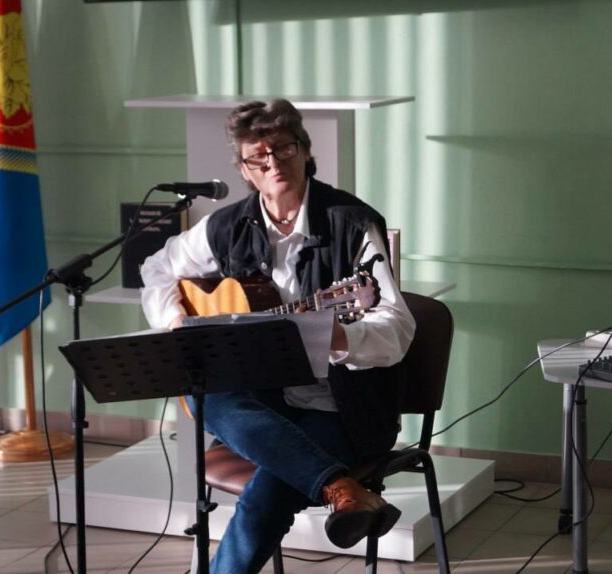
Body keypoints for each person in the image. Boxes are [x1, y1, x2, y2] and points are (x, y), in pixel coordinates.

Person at [140, 98, 416, 573]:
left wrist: (337, 337)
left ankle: (337, 488)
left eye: (285, 149)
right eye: (258, 157)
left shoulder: (352, 224)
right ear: (244, 170)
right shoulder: (228, 225)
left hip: (341, 406)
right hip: (263, 405)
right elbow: (156, 268)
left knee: (265, 497)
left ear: (305, 151)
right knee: (202, 390)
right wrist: (176, 322)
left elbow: (397, 328)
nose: (273, 163)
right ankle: (340, 487)